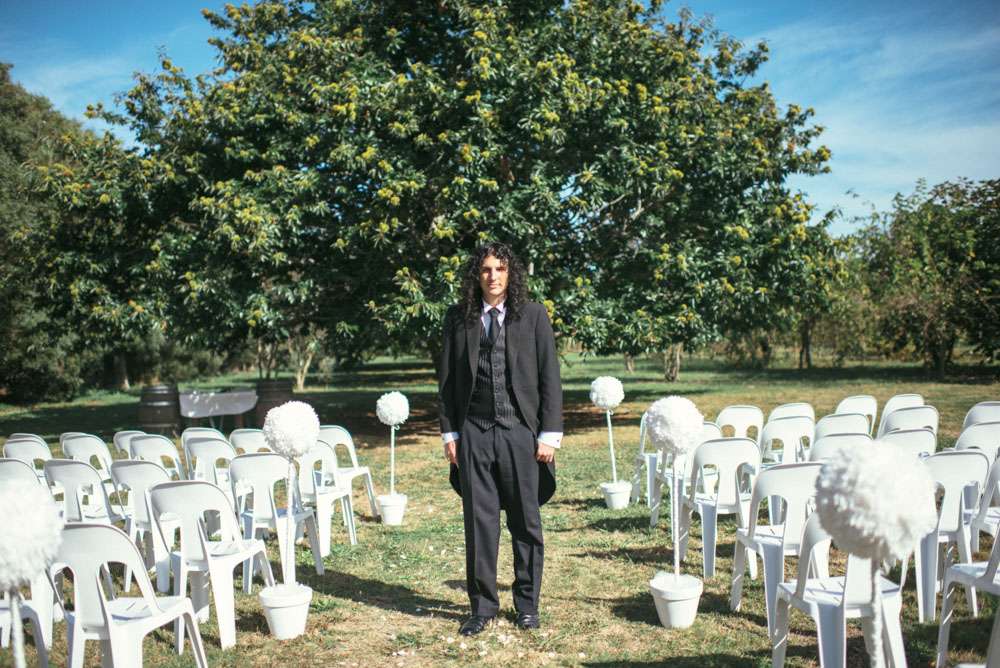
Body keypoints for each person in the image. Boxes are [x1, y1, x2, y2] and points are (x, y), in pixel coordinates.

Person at [437, 242, 563, 636]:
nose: (493, 276)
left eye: (501, 269)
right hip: (474, 432)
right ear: (477, 275)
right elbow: (446, 383)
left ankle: (527, 606)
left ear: (511, 274)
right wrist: (450, 433)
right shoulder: (458, 319)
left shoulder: (534, 315)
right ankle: (483, 608)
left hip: (520, 432)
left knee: (526, 522)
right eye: (486, 269)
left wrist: (549, 434)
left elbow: (550, 378)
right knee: (480, 525)